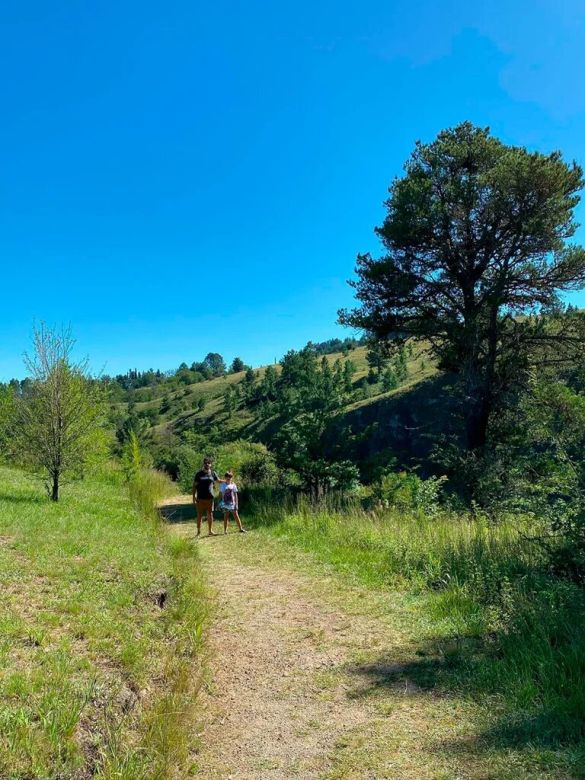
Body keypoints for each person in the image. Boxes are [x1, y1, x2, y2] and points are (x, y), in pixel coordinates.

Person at [192, 457, 223, 537]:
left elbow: (218, 481)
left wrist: (227, 481)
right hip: (200, 498)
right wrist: (193, 497)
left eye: (208, 463)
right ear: (203, 464)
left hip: (210, 498)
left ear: (211, 464)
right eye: (205, 463)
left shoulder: (213, 473)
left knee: (210, 514)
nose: (207, 464)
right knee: (199, 515)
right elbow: (194, 486)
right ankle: (198, 532)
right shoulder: (199, 474)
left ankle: (210, 531)